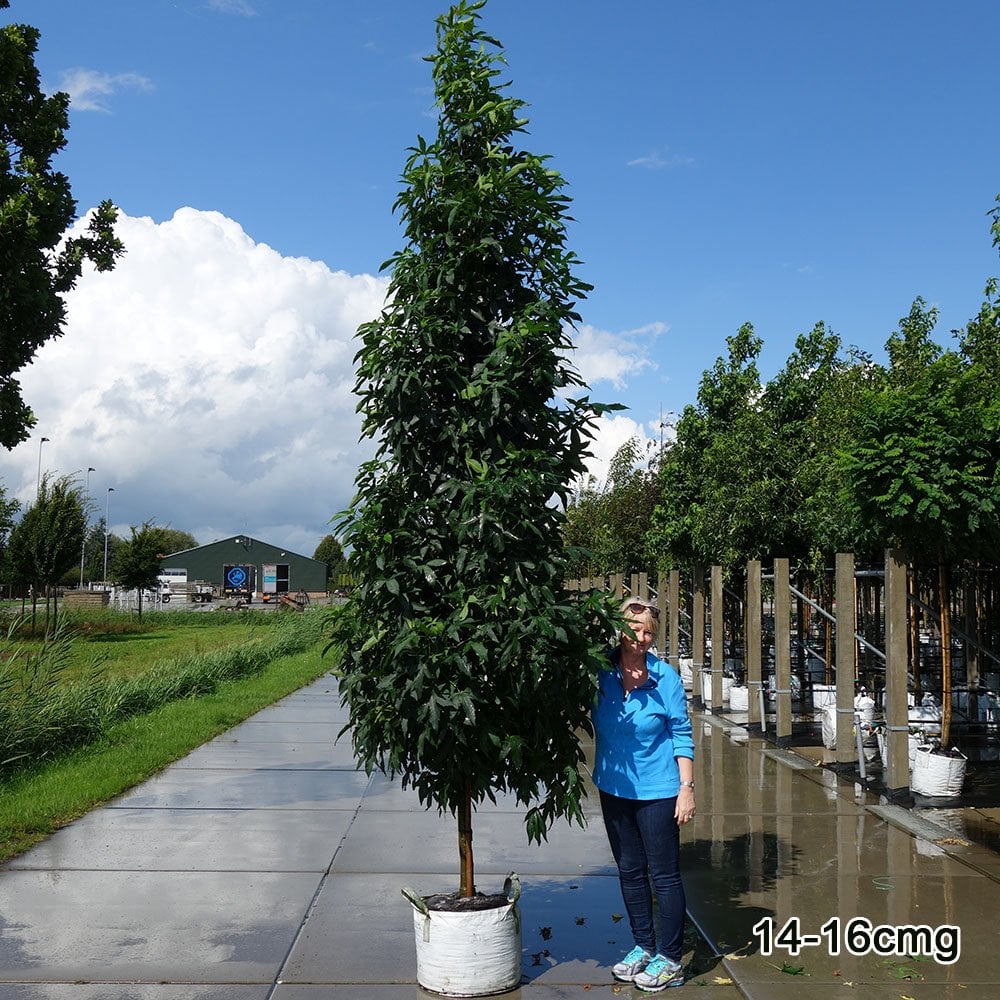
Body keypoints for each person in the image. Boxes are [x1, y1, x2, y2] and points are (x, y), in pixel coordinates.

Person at [592, 597, 696, 992]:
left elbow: (681, 734)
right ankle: (643, 946)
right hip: (614, 787)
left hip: (658, 789)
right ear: (618, 630)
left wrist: (686, 790)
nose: (641, 637)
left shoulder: (664, 677)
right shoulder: (599, 670)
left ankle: (670, 958)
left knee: (664, 875)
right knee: (630, 871)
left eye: (649, 631)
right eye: (634, 629)